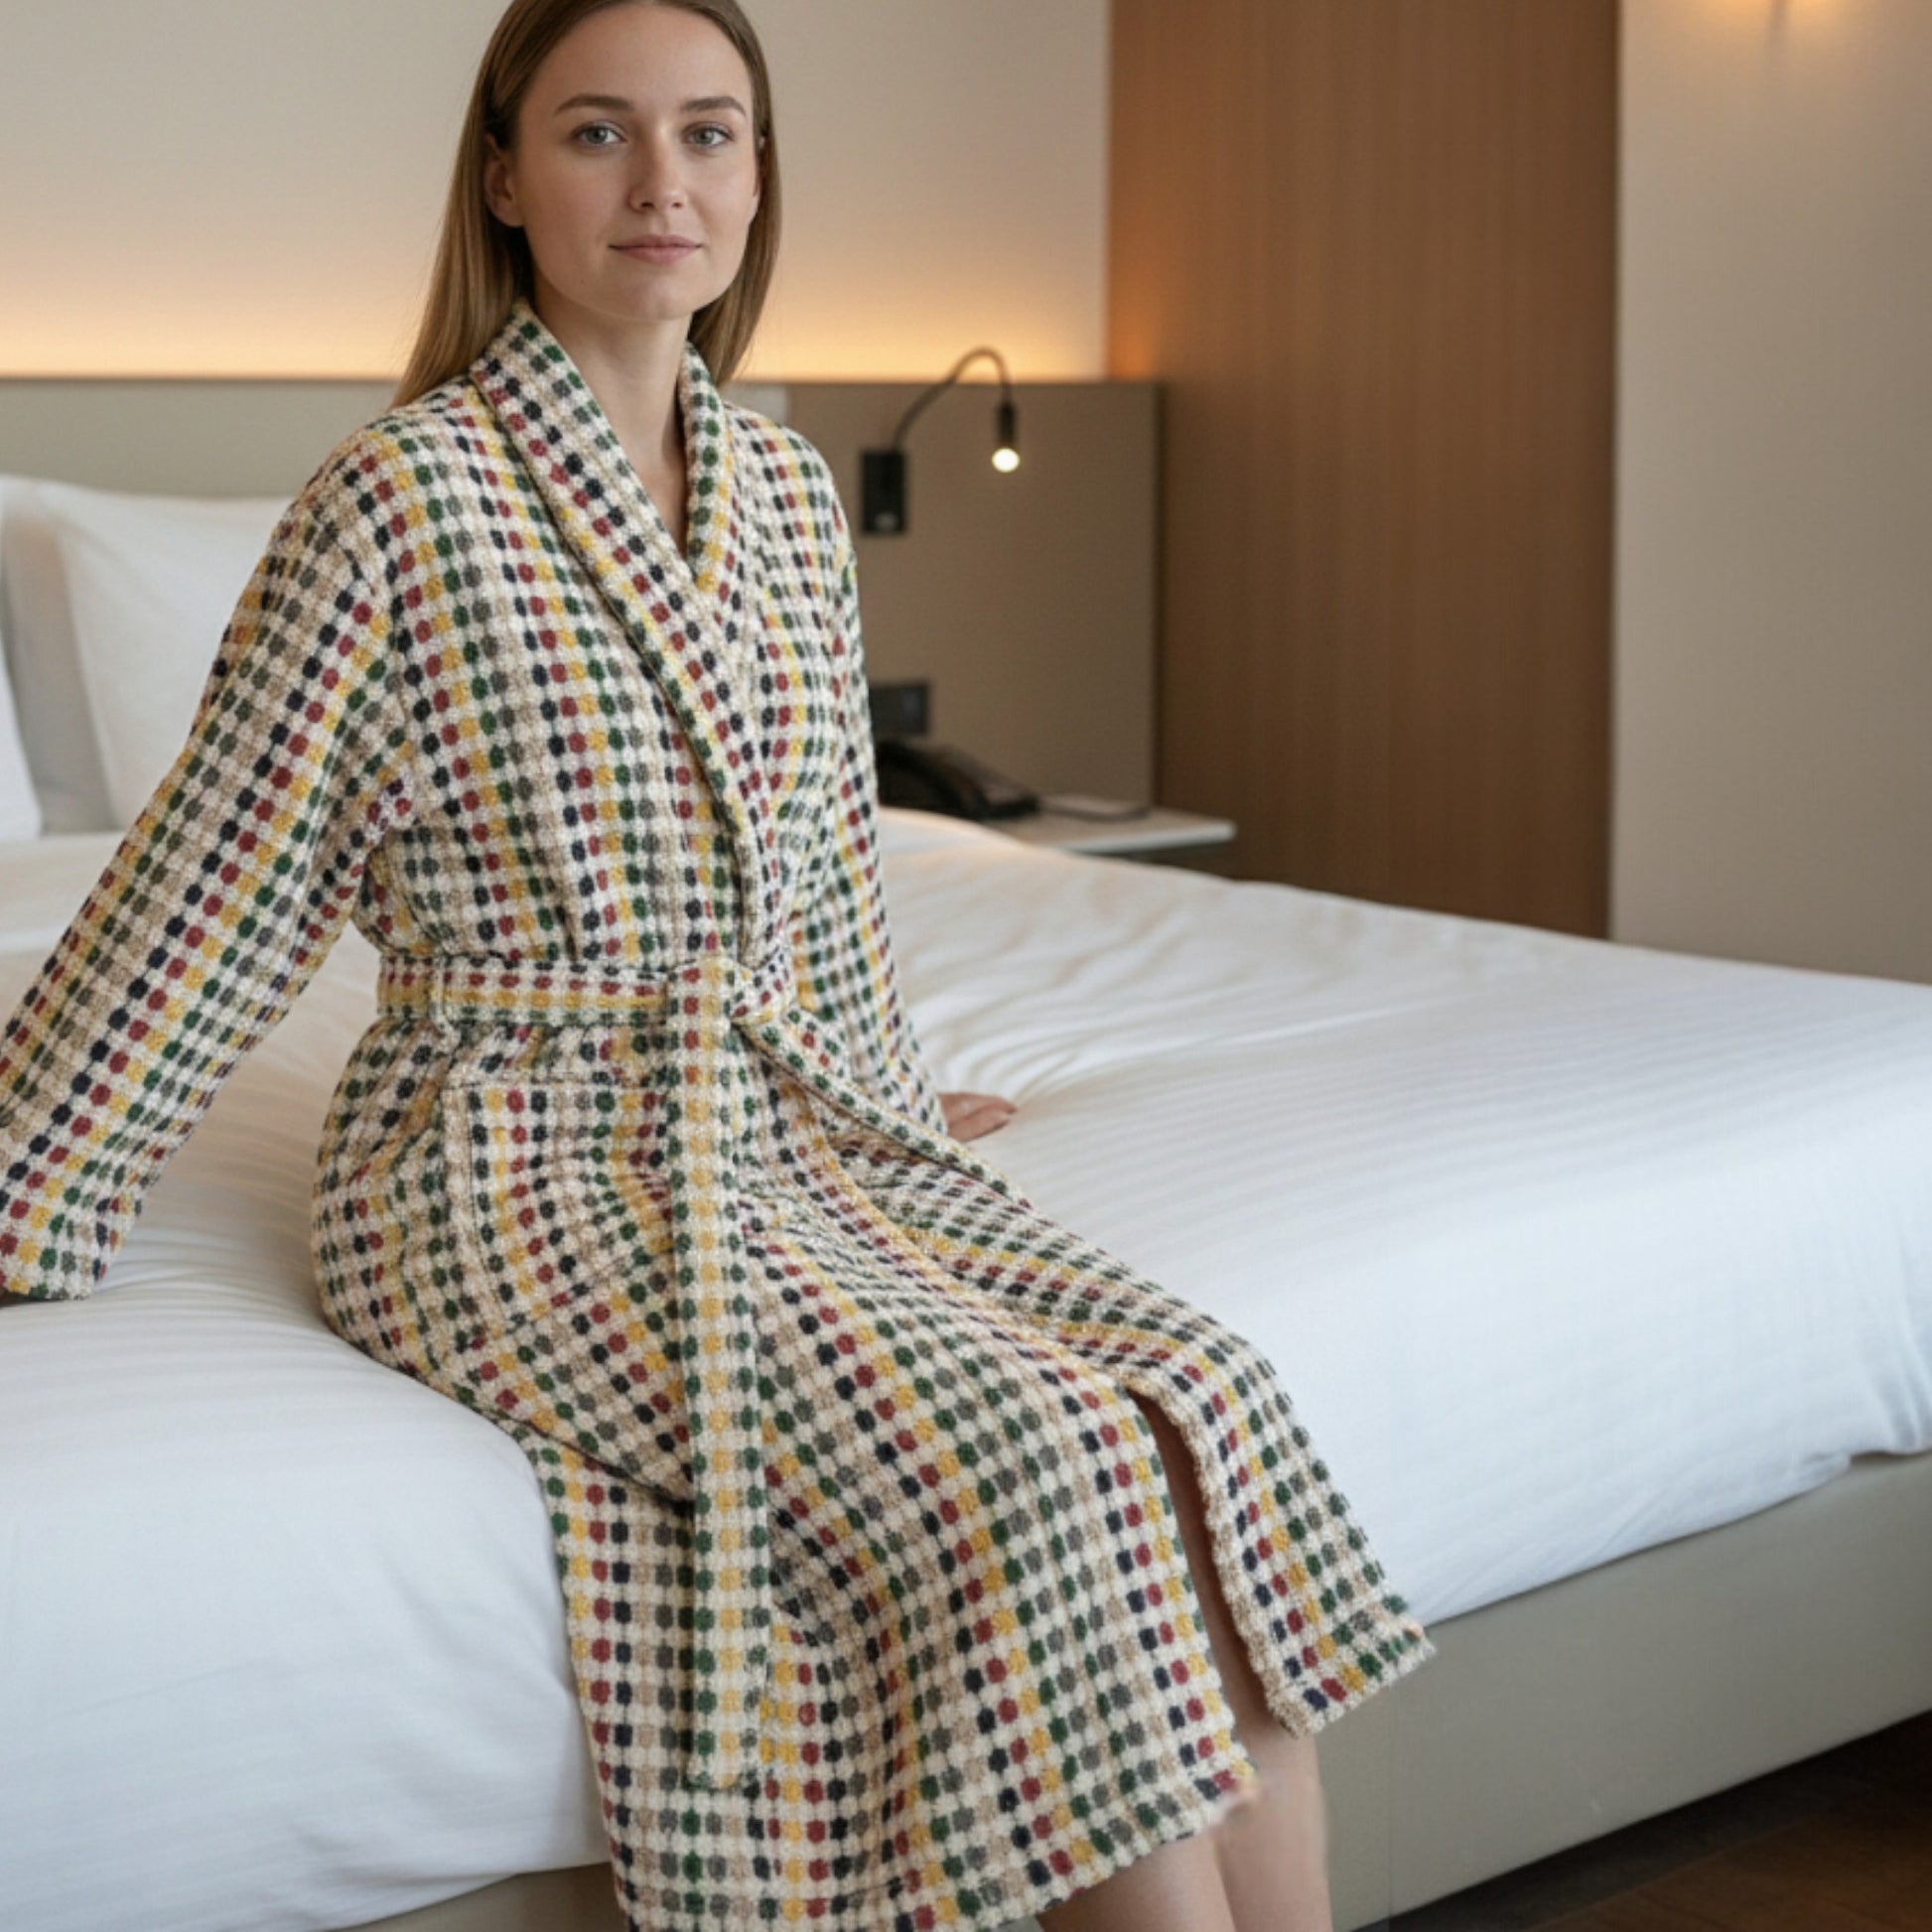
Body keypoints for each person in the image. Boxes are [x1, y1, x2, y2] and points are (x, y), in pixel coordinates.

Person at [0, 2, 1436, 1927]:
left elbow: (818, 856)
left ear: (759, 178)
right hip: (505, 1158)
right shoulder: (398, 498)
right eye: (598, 135)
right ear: (505, 179)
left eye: (710, 134)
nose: (662, 183)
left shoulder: (777, 487)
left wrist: (867, 1071)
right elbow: (213, 891)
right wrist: (30, 1186)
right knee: (1036, 1449)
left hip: (774, 1112)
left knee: (1191, 1395)